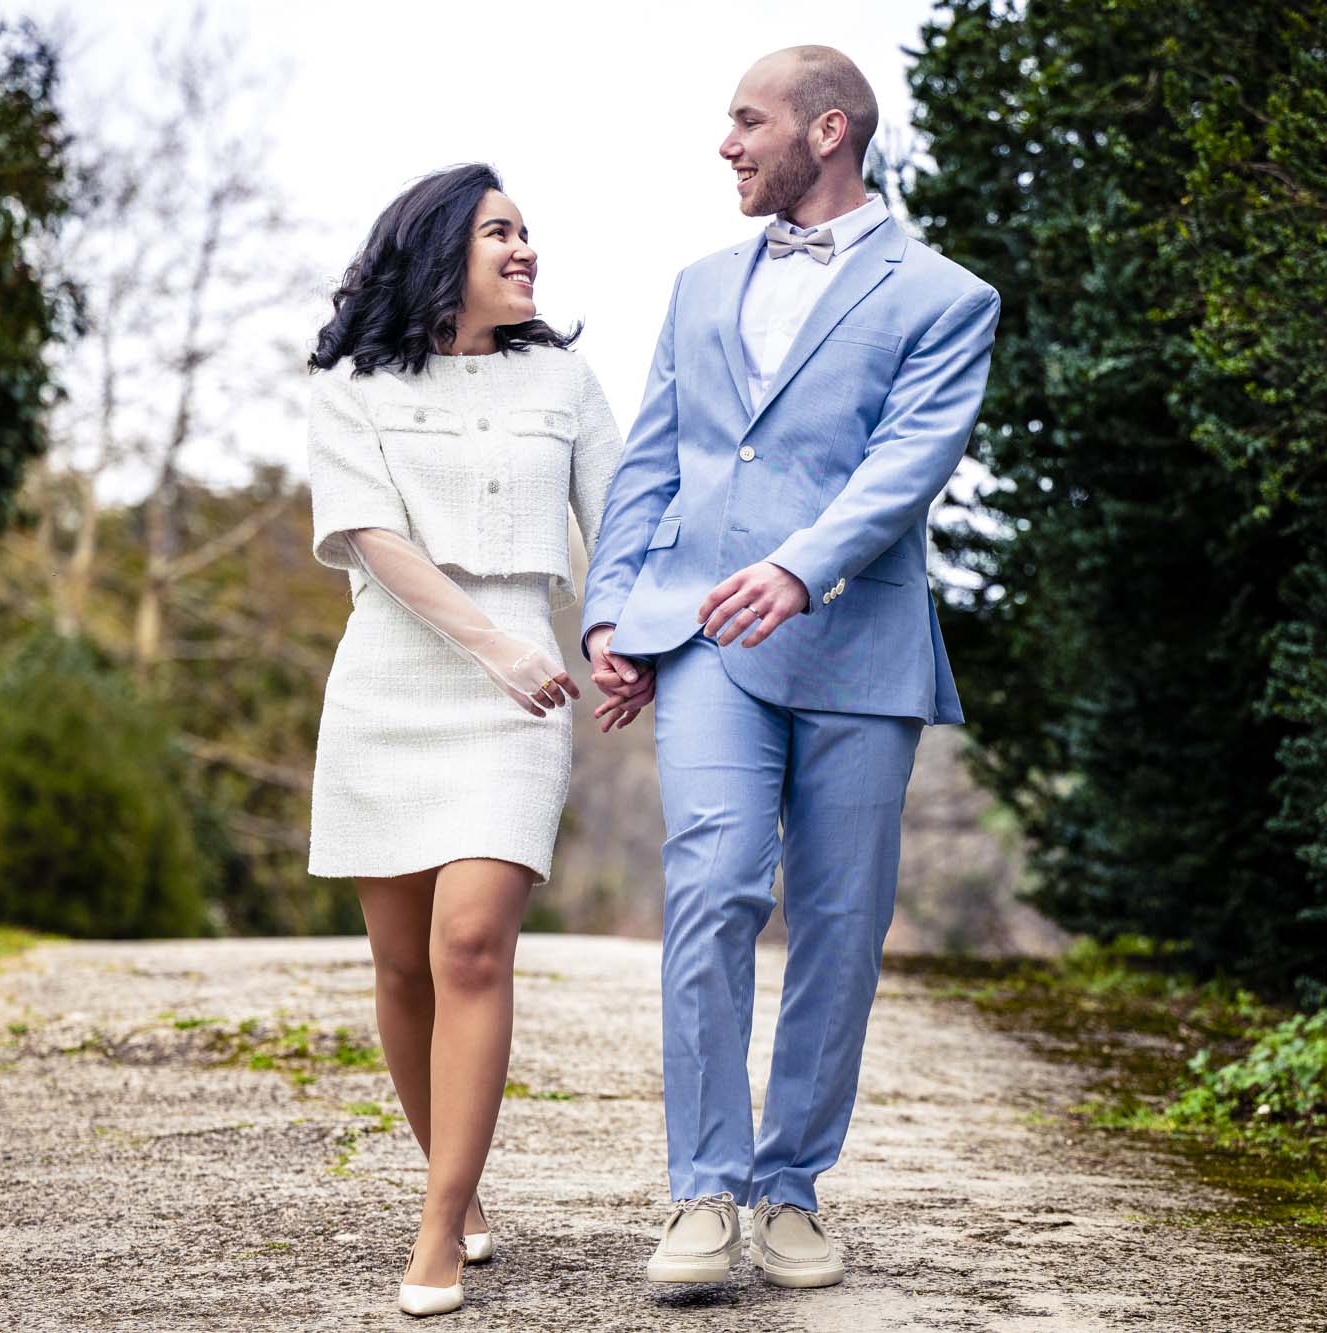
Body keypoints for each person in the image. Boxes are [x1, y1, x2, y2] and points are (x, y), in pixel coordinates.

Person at [581, 46, 1000, 1290]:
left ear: (826, 132)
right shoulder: (698, 287)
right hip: (707, 633)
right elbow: (651, 461)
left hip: (858, 644)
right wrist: (613, 614)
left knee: (840, 925)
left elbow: (907, 463)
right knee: (712, 886)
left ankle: (789, 1188)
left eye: (747, 120)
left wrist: (800, 567)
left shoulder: (946, 299)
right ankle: (702, 1191)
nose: (726, 143)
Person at [304, 163, 631, 1317]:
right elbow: (368, 535)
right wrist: (491, 645)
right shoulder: (351, 384)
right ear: (439, 248)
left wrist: (613, 634)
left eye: (527, 230)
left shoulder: (564, 377)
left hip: (520, 702)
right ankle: (460, 1177)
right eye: (500, 230)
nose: (525, 247)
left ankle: (437, 1227)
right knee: (401, 968)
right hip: (391, 688)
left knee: (471, 947)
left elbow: (622, 518)